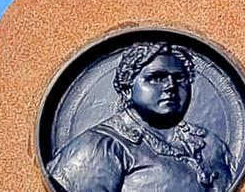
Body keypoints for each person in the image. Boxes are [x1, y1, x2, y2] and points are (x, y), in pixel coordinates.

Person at [47, 42, 234, 192]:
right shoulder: (97, 147)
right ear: (128, 89)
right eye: (156, 77)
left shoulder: (211, 144)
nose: (171, 86)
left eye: (179, 78)